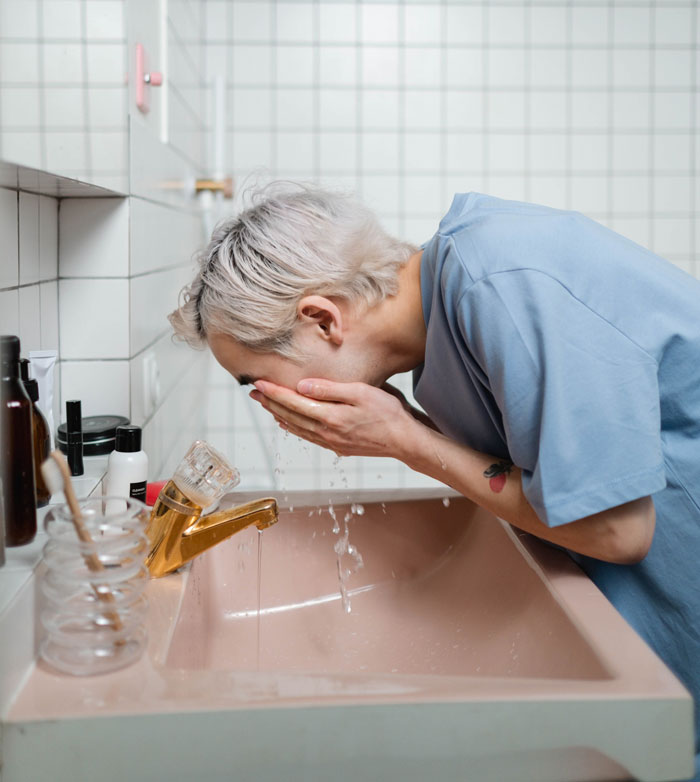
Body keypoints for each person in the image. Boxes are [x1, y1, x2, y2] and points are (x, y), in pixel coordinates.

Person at [170, 183, 700, 779]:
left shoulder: (501, 281)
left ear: (322, 319)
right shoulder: (444, 333)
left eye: (256, 381)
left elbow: (615, 530)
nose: (267, 402)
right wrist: (410, 433)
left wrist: (408, 441)